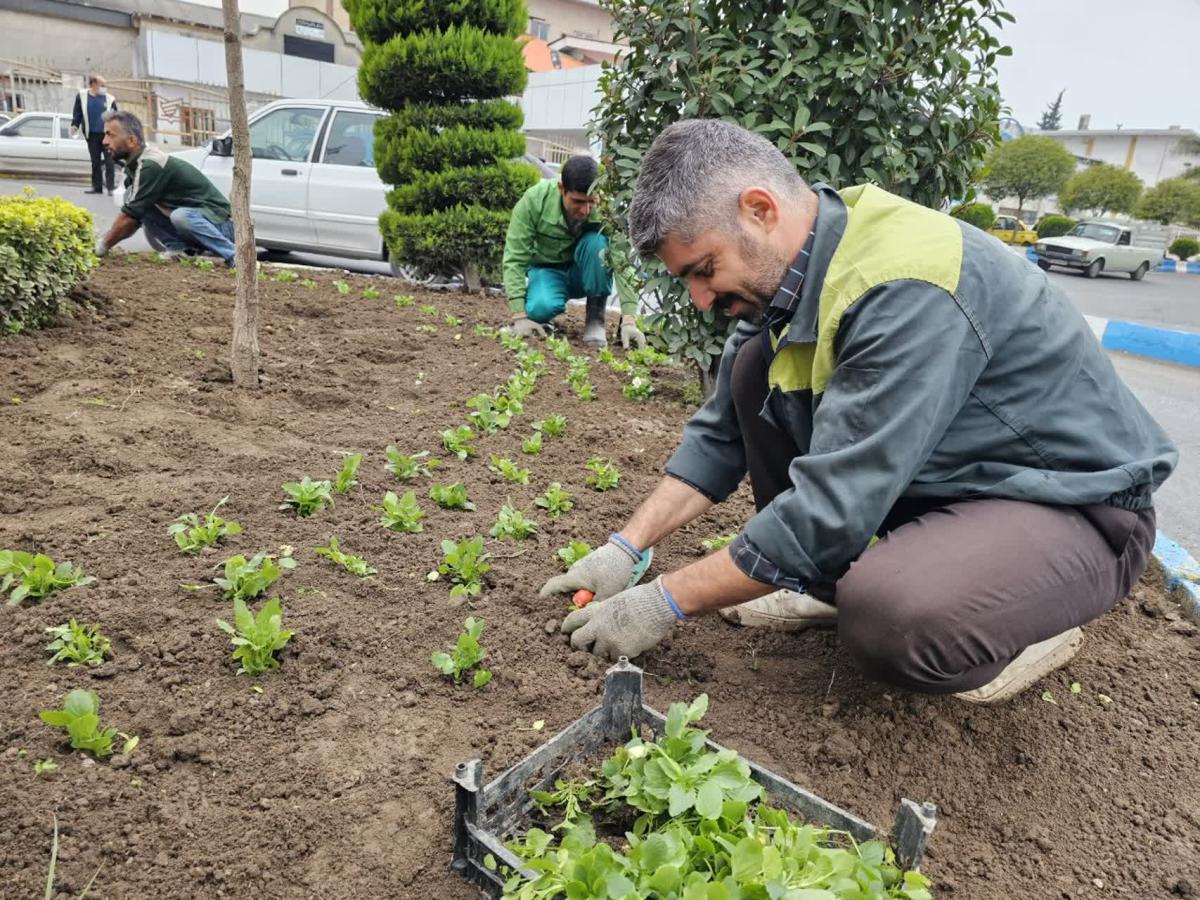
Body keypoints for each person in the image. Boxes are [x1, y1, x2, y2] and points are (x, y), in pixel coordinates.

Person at [541, 119, 1177, 704]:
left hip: (1073, 509)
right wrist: (625, 548)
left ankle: (1020, 625)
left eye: (704, 270)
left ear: (759, 210)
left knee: (892, 614)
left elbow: (826, 511)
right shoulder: (794, 277)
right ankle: (825, 584)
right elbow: (718, 440)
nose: (701, 298)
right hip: (954, 481)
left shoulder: (905, 288)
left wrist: (663, 603)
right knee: (752, 368)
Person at [503, 155, 646, 350]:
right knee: (540, 307)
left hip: (584, 272)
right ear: (562, 189)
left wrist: (629, 318)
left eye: (591, 202)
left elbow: (622, 260)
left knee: (597, 244)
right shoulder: (534, 200)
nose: (586, 210)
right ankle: (544, 314)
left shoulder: (606, 208)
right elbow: (514, 258)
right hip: (547, 270)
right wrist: (519, 316)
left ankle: (595, 318)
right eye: (578, 201)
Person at [94, 111, 236, 266]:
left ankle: (235, 256)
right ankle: (181, 249)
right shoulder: (135, 164)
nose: (105, 141)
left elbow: (130, 217)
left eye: (110, 135)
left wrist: (102, 245)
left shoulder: (151, 164)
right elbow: (135, 212)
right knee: (134, 198)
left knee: (181, 216)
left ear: (132, 141)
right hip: (199, 221)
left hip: (221, 224)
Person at [71, 75, 117, 195]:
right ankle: (97, 187)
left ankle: (111, 188)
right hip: (91, 134)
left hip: (107, 135)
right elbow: (77, 113)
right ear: (93, 84)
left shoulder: (109, 99)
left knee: (109, 162)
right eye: (102, 85)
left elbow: (116, 116)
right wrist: (74, 125)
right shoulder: (82, 96)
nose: (104, 88)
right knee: (95, 162)